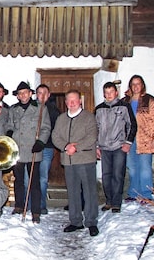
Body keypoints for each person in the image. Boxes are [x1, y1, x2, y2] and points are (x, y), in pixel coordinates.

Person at [52, 89, 100, 237]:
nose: (71, 103)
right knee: (72, 192)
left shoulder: (88, 117)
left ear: (80, 101)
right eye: (69, 100)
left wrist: (76, 147)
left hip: (85, 159)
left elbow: (92, 136)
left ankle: (91, 222)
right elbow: (55, 136)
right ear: (66, 102)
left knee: (89, 191)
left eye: (74, 100)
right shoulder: (61, 119)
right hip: (68, 160)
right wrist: (66, 146)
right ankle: (75, 221)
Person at [6, 81, 51, 223]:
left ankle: (36, 211)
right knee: (18, 180)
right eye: (20, 93)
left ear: (30, 94)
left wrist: (40, 142)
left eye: (25, 92)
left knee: (34, 182)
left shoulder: (40, 109)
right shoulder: (13, 110)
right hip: (17, 150)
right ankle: (19, 205)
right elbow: (9, 126)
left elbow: (46, 128)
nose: (23, 95)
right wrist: (9, 135)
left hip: (33, 150)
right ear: (17, 96)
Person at [95, 82, 137, 213]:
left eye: (111, 92)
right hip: (104, 147)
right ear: (103, 94)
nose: (109, 95)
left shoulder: (124, 106)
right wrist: (96, 145)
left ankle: (116, 203)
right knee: (106, 176)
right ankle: (109, 201)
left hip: (119, 146)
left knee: (118, 175)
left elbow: (132, 125)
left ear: (116, 93)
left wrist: (128, 142)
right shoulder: (99, 109)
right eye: (106, 93)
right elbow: (94, 128)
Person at [122, 75, 154, 203]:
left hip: (146, 138)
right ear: (130, 86)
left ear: (142, 85)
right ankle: (134, 193)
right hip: (129, 139)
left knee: (145, 167)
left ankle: (146, 194)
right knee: (132, 167)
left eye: (138, 83)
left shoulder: (149, 100)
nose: (135, 86)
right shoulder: (124, 101)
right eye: (133, 84)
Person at [35, 84, 61, 214]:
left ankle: (41, 205)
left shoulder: (54, 110)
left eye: (45, 93)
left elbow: (57, 130)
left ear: (49, 95)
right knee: (30, 178)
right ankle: (30, 206)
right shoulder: (32, 108)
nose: (42, 95)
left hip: (47, 148)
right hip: (32, 149)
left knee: (43, 178)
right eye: (39, 93)